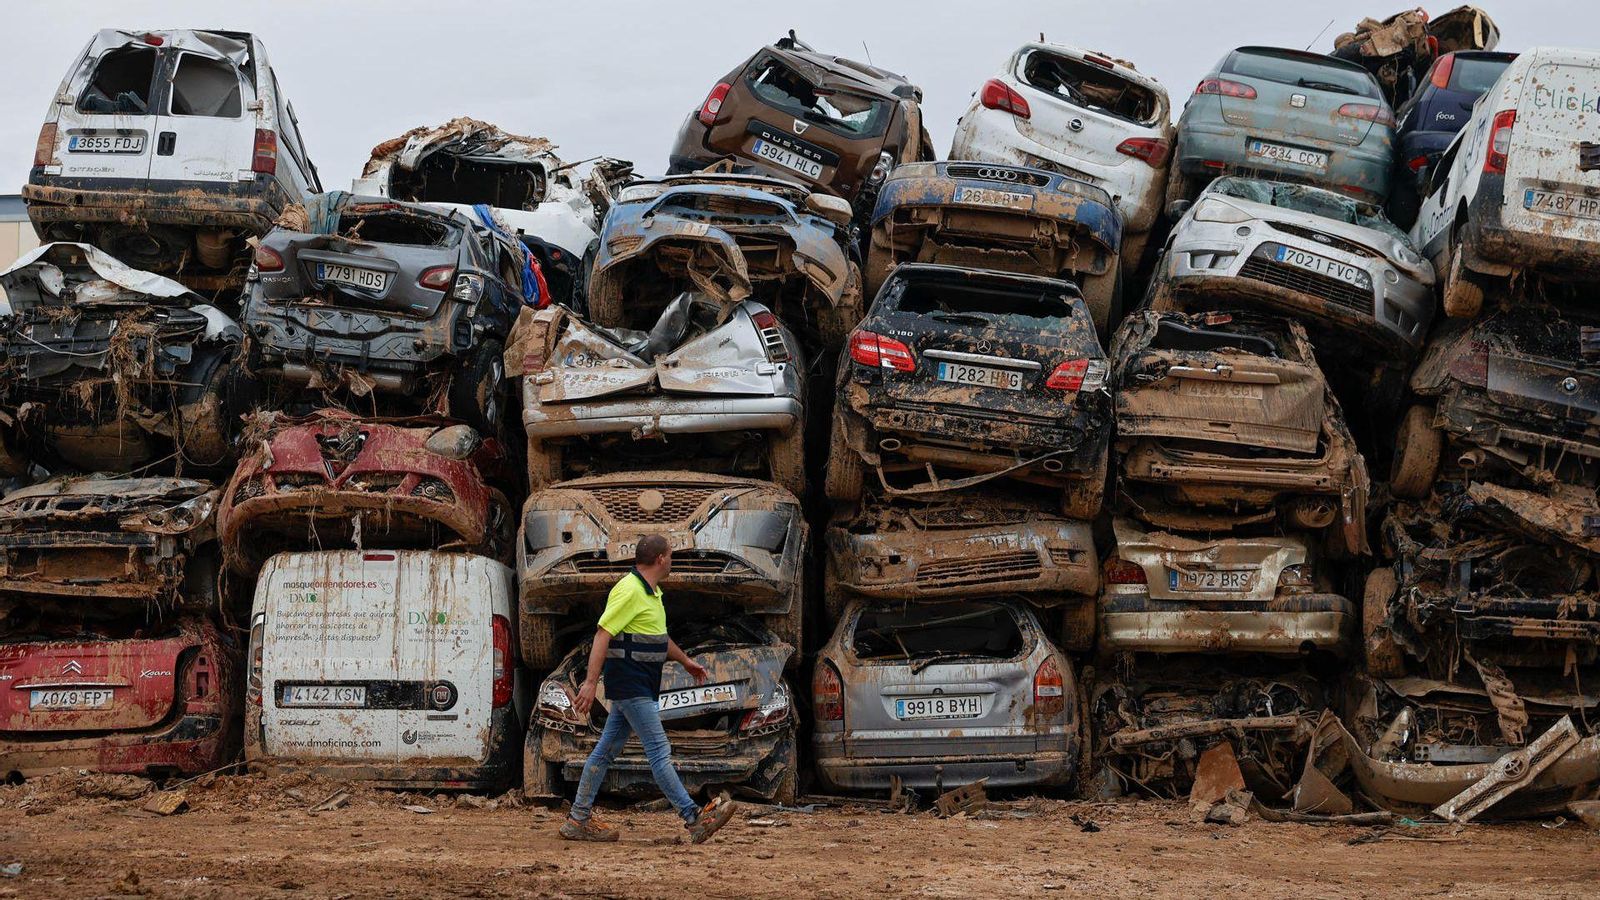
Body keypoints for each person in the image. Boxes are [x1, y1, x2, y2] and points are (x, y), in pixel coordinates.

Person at [559, 533, 738, 843]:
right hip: (630, 685)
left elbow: (658, 638)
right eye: (671, 556)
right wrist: (590, 683)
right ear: (660, 560)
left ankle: (577, 819)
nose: (672, 561)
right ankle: (694, 819)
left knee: (604, 753)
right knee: (659, 752)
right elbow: (603, 634)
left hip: (640, 684)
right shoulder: (628, 590)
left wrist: (685, 662)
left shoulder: (652, 593)